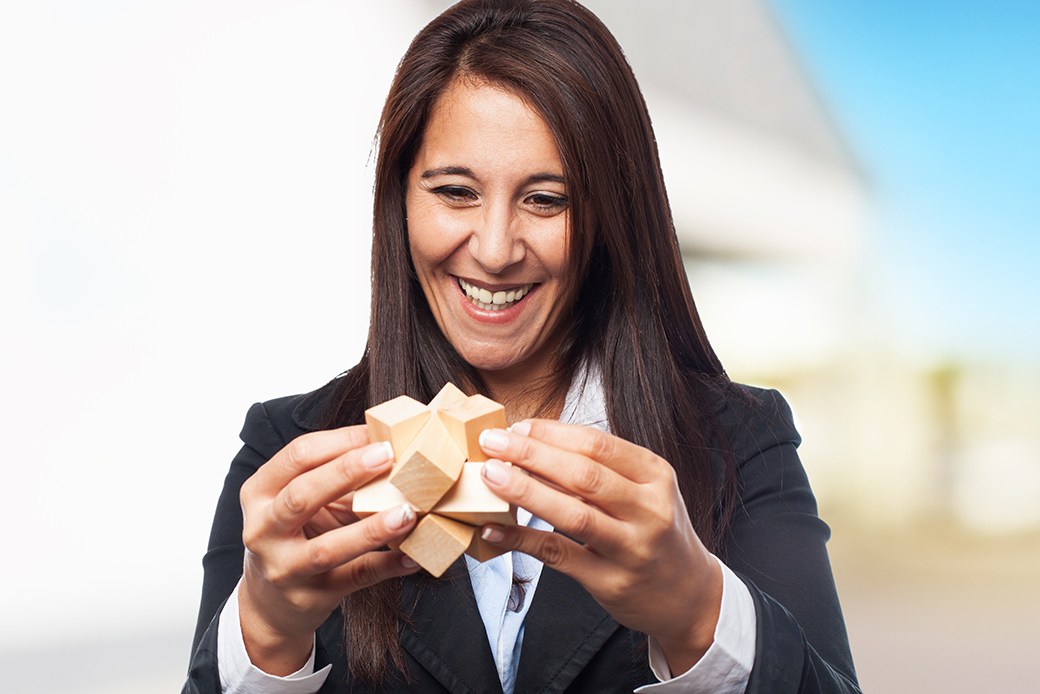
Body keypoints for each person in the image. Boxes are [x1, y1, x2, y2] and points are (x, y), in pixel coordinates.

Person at [184, 1, 860, 692]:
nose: (496, 249)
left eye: (546, 199)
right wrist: (265, 638)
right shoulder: (288, 454)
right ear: (400, 200)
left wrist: (697, 612)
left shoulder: (737, 443)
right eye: (455, 191)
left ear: (609, 215)